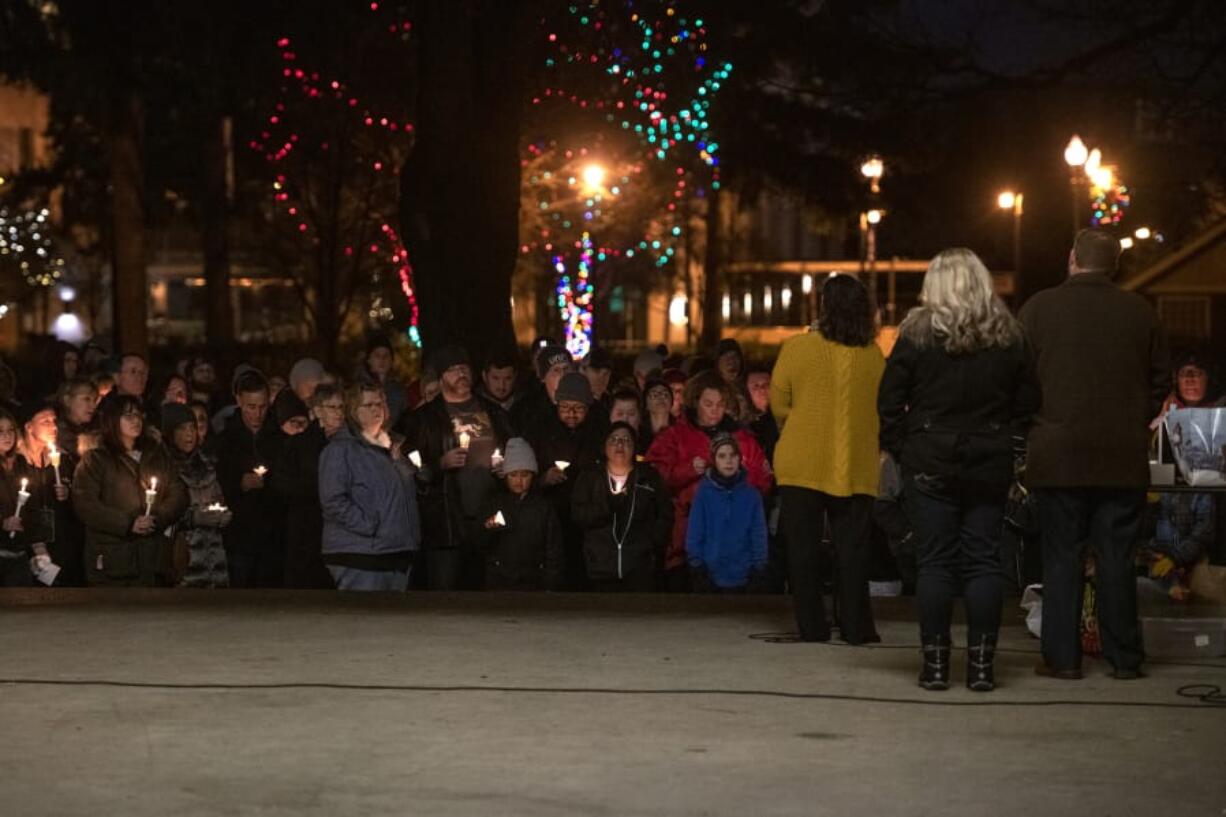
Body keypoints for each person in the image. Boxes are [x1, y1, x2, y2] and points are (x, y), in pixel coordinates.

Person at [878, 248, 1038, 691]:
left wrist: (904, 448)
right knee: (984, 562)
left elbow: (888, 400)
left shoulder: (916, 334)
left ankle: (935, 667)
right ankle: (982, 668)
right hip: (989, 457)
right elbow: (1030, 400)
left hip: (929, 457)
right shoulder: (1009, 334)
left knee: (935, 564)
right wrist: (1008, 437)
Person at [1020, 229, 1169, 681]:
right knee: (1117, 558)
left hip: (1058, 453)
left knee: (1061, 557)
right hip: (1121, 457)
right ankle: (1124, 657)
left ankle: (1062, 658)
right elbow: (1159, 381)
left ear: (1071, 259)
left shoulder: (1039, 309)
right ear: (1115, 266)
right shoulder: (1141, 312)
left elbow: (1020, 381)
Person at [772, 273, 884, 644]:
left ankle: (813, 628)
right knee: (853, 551)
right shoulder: (873, 356)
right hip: (856, 463)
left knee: (802, 552)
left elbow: (779, 403)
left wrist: (800, 425)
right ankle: (856, 627)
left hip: (801, 460)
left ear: (824, 307)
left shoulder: (797, 348)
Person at [646, 370, 771, 591]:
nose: (715, 410)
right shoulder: (675, 436)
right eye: (708, 404)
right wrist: (687, 470)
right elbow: (652, 478)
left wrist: (741, 480)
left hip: (734, 543)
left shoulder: (742, 438)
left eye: (721, 404)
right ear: (695, 402)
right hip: (684, 542)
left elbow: (762, 480)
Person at [410, 344, 512, 590]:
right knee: (447, 596)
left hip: (489, 515)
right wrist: (438, 464)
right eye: (454, 369)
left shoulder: (494, 413)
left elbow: (512, 448)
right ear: (441, 376)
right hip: (447, 521)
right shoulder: (425, 418)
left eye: (465, 368)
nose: (462, 374)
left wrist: (506, 469)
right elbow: (411, 460)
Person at [72, 394, 186, 586]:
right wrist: (127, 523)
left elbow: (179, 493)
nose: (136, 420)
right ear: (112, 420)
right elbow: (86, 504)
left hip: (153, 559)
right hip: (114, 562)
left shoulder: (155, 455)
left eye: (138, 415)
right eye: (128, 415)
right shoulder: (96, 460)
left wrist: (157, 518)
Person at [319, 381, 420, 591]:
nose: (377, 409)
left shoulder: (392, 449)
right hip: (360, 555)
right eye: (369, 405)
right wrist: (369, 525)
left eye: (380, 403)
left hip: (395, 554)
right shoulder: (340, 450)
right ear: (354, 411)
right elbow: (333, 500)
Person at [524, 371, 609, 589]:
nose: (571, 414)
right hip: (553, 511)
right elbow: (525, 474)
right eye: (565, 408)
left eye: (578, 408)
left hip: (588, 515)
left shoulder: (599, 432)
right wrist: (543, 479)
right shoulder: (541, 431)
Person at [571, 423, 673, 591]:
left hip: (639, 568)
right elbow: (578, 514)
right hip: (599, 567)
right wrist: (607, 507)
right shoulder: (591, 477)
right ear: (604, 446)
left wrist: (653, 542)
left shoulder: (648, 477)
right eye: (614, 440)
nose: (620, 445)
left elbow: (664, 512)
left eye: (626, 440)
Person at [270, 383, 344, 589]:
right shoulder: (299, 444)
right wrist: (316, 488)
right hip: (306, 530)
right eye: (332, 407)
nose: (338, 414)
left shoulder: (348, 444)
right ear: (318, 410)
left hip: (338, 530)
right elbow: (280, 483)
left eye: (341, 408)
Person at [215, 370, 285, 587]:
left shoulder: (279, 439)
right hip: (239, 537)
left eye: (262, 407)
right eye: (251, 407)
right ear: (238, 401)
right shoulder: (225, 441)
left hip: (274, 537)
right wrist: (239, 483)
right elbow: (217, 482)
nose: (257, 414)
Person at [478, 437, 564, 591]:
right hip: (500, 581)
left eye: (524, 475)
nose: (519, 481)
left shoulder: (543, 507)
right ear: (505, 476)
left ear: (533, 475)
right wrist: (488, 528)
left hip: (533, 581)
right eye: (513, 475)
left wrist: (550, 584)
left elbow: (553, 550)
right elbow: (478, 543)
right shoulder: (494, 503)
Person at [686, 433, 769, 592]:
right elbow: (695, 531)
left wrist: (759, 566)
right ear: (714, 460)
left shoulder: (752, 495)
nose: (728, 461)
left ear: (739, 458)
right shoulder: (703, 493)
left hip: (744, 575)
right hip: (710, 575)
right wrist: (696, 565)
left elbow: (758, 533)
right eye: (722, 456)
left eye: (733, 455)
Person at [164, 403, 231, 588]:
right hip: (183, 555)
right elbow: (160, 513)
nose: (189, 434)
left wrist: (222, 514)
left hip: (213, 556)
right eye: (182, 428)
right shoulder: (163, 466)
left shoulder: (207, 463)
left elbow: (218, 498)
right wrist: (193, 518)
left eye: (192, 428)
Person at [18, 400, 83, 585]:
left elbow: (80, 498)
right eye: (45, 422)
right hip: (29, 544)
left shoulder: (63, 460)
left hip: (63, 543)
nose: (54, 427)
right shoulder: (16, 462)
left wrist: (68, 492)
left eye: (54, 421)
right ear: (29, 427)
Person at [0, 408, 37, 586]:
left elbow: (31, 505)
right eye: (0, 431)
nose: (7, 436)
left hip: (19, 553)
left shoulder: (20, 463)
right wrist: (2, 523)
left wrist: (38, 545)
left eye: (10, 430)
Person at [362, 333, 408, 430]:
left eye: (386, 355)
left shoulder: (399, 390)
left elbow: (405, 420)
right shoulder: (359, 388)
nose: (382, 360)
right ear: (369, 360)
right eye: (377, 355)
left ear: (391, 360)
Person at [56, 377, 99, 459]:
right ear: (67, 400)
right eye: (87, 399)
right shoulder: (56, 431)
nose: (93, 406)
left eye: (95, 400)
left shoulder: (96, 425)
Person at [745, 366, 780, 463]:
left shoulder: (783, 418)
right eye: (756, 386)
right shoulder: (742, 424)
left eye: (766, 385)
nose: (762, 390)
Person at [478, 349, 522, 416]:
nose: (502, 385)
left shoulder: (527, 405)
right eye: (495, 378)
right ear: (484, 376)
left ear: (515, 377)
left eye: (508, 378)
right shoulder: (475, 406)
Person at [639, 376, 674, 453]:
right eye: (654, 395)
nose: (660, 397)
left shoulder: (681, 432)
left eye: (665, 394)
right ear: (646, 404)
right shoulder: (639, 436)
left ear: (671, 403)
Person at [582, 347, 615, 411]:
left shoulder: (612, 404)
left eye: (606, 374)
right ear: (583, 371)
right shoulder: (573, 404)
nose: (601, 379)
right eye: (596, 372)